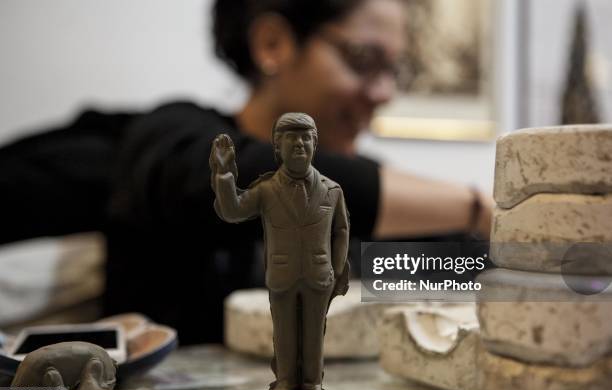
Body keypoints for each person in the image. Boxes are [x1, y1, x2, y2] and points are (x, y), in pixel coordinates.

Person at [0, 0, 493, 344]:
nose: (385, 92)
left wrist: (497, 258)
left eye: (396, 70)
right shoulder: (170, 140)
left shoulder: (355, 199)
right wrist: (479, 206)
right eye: (364, 60)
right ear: (273, 43)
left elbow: (421, 263)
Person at [211, 114, 349, 390]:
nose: (299, 143)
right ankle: (285, 383)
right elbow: (233, 210)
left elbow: (340, 231)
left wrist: (337, 270)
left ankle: (312, 383)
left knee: (314, 332)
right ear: (277, 146)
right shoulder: (266, 190)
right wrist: (224, 175)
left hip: (318, 274)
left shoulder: (332, 190)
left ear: (315, 144)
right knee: (284, 333)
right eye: (291, 137)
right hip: (282, 274)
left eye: (306, 137)